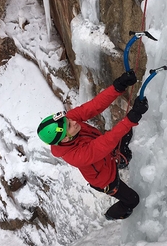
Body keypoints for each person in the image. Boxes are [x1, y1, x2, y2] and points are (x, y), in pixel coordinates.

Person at [37, 70, 149, 220]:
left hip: (107, 156)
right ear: (64, 139)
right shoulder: (76, 156)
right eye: (69, 125)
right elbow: (104, 144)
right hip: (106, 179)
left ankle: (121, 160)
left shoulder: (67, 123)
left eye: (68, 120)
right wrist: (131, 118)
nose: (74, 121)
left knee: (126, 134)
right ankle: (111, 215)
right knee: (132, 200)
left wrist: (118, 86)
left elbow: (93, 106)